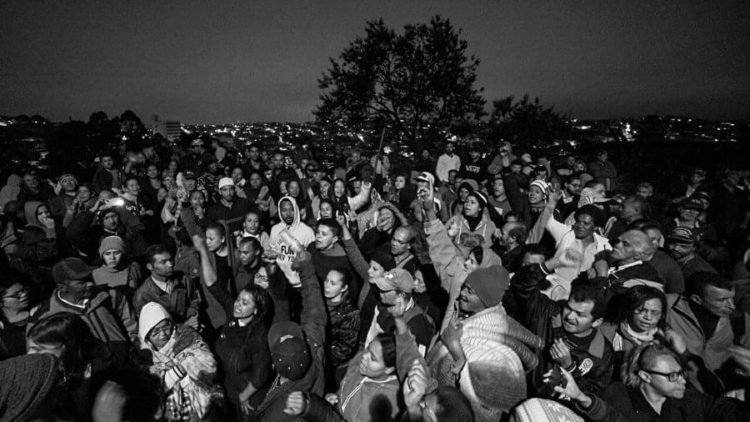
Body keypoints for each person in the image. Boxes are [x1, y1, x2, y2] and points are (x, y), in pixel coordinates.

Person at [557, 341, 748, 422]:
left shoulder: (689, 399)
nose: (682, 381)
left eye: (681, 374)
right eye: (672, 376)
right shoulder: (619, 397)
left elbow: (727, 412)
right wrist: (583, 398)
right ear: (645, 376)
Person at [193, 235, 273, 422]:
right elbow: (213, 284)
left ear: (256, 309)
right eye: (238, 299)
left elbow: (261, 374)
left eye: (245, 303)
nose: (238, 305)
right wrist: (203, 250)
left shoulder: (257, 333)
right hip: (230, 392)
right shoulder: (234, 314)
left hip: (249, 399)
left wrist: (244, 397)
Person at [253, 249, 328, 422]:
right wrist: (305, 266)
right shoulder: (315, 345)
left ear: (273, 364)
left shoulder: (283, 411)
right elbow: (314, 304)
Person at [29, 257, 138, 368]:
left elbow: (131, 326)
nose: (90, 284)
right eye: (82, 282)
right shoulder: (45, 316)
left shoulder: (110, 296)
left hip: (127, 364)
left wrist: (136, 349)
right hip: (90, 373)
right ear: (62, 287)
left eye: (90, 278)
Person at [138, 301, 223, 421]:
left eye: (165, 326)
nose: (163, 334)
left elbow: (208, 364)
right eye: (156, 332)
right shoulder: (144, 356)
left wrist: (173, 372)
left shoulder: (185, 334)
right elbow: (148, 393)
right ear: (146, 336)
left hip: (204, 406)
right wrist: (173, 375)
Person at [665, 271, 750, 373]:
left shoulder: (738, 318)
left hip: (718, 379)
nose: (731, 306)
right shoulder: (666, 306)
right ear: (696, 299)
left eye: (732, 298)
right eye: (722, 300)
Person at [133, 244, 201, 327]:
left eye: (170, 260)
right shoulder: (143, 295)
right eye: (163, 262)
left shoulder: (184, 279)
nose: (170, 264)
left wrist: (192, 317)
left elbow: (194, 301)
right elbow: (148, 325)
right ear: (150, 267)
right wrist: (182, 326)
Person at [269, 196, 315, 287]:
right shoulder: (275, 229)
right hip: (281, 284)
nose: (288, 214)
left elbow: (312, 258)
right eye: (284, 210)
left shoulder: (307, 231)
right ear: (279, 211)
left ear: (296, 209)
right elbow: (273, 254)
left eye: (291, 209)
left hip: (301, 283)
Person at [0, 271, 31, 360]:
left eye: (24, 290)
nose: (24, 295)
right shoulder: (2, 328)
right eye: (16, 295)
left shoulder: (38, 313)